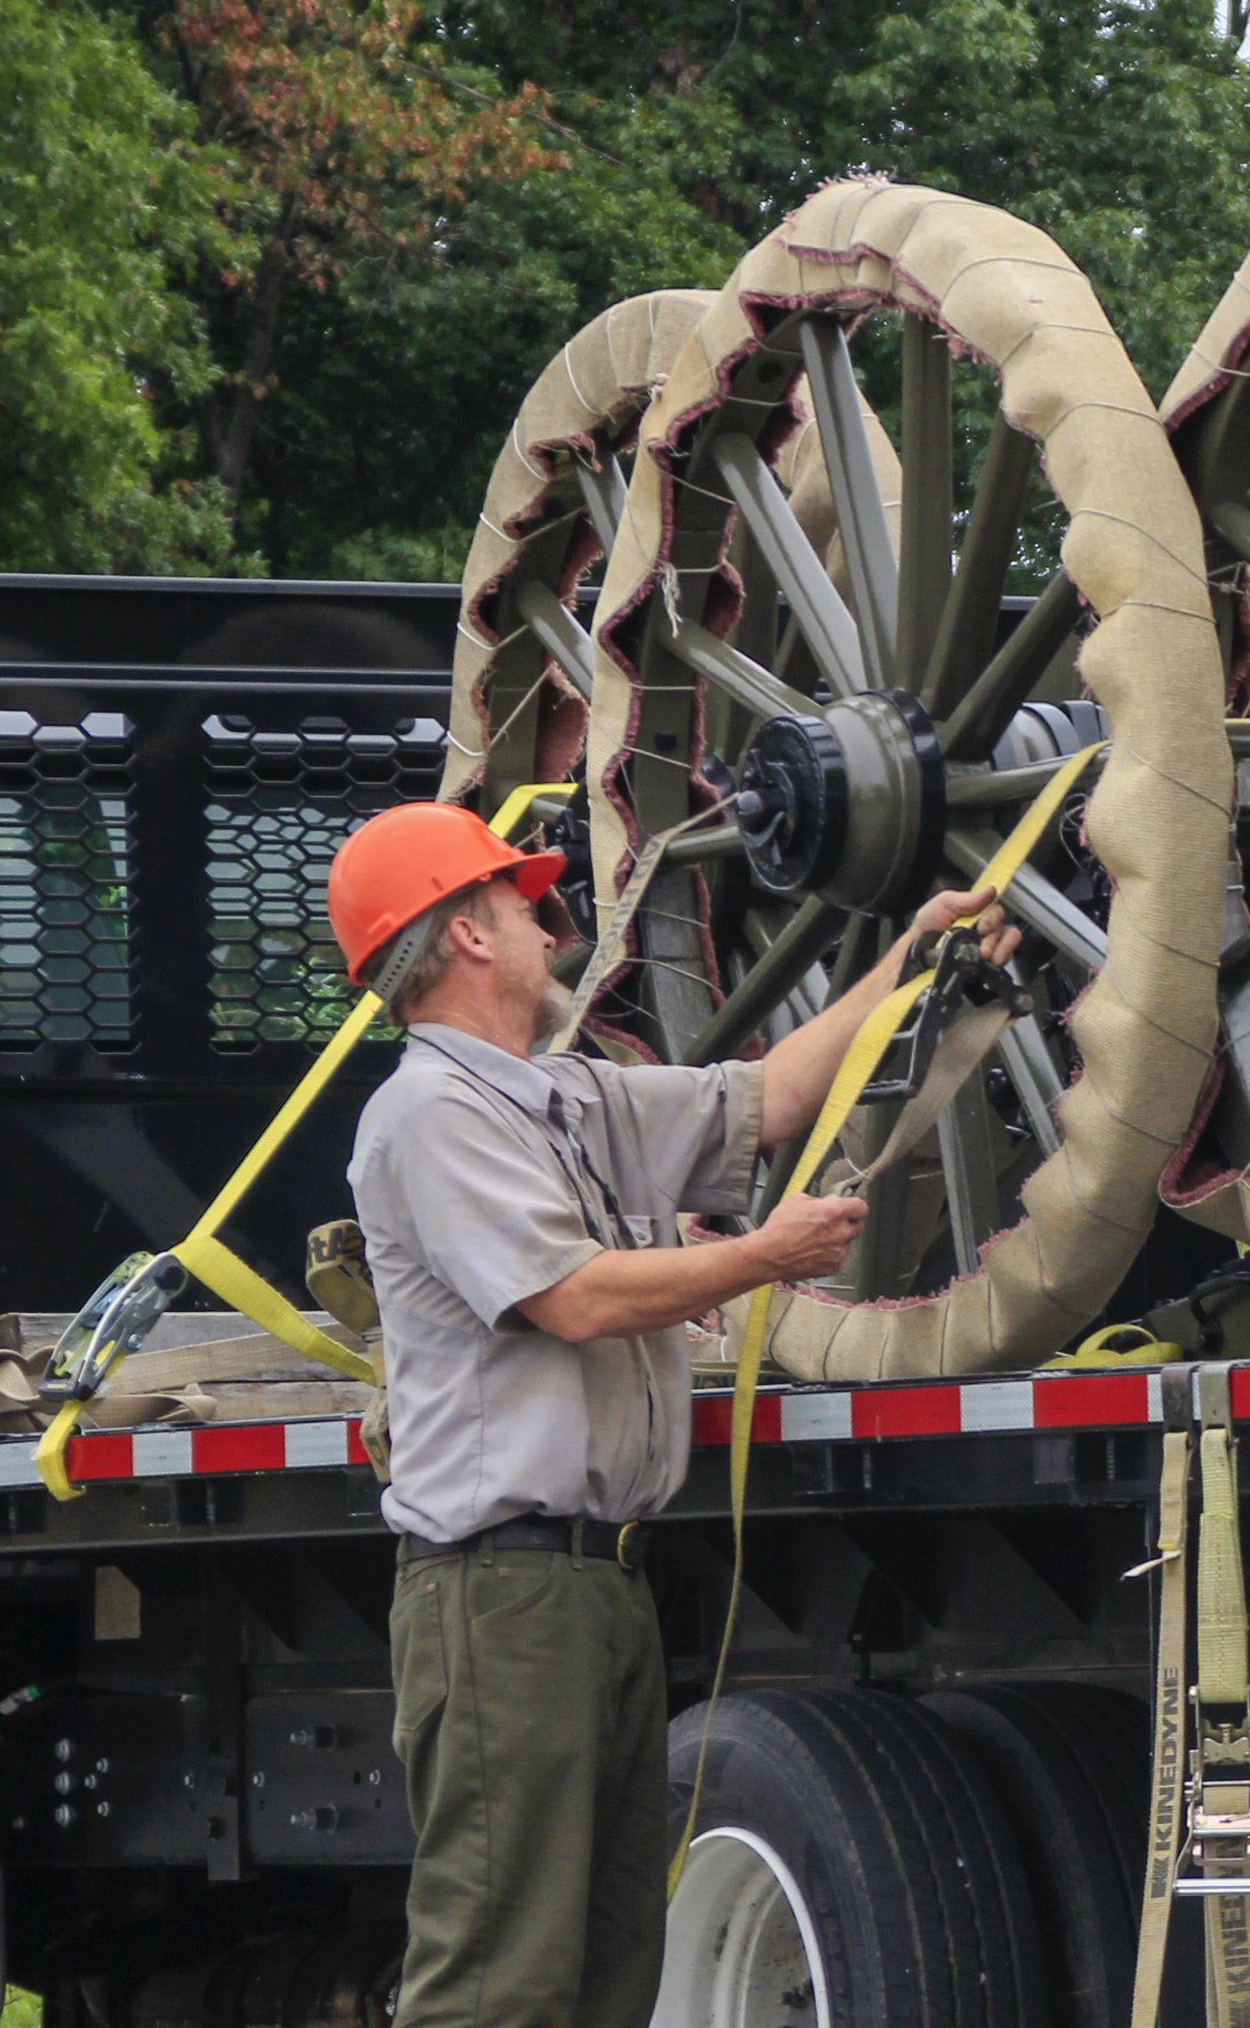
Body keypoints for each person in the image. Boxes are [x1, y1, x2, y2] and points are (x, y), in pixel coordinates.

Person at [326, 799, 1015, 2027]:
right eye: (521, 901)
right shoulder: (429, 1114)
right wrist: (763, 1255)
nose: (546, 922)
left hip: (583, 1587)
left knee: (604, 1974)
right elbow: (574, 1298)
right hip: (503, 1594)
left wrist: (908, 963)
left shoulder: (559, 1098)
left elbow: (764, 1100)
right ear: (469, 936)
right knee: (499, 1977)